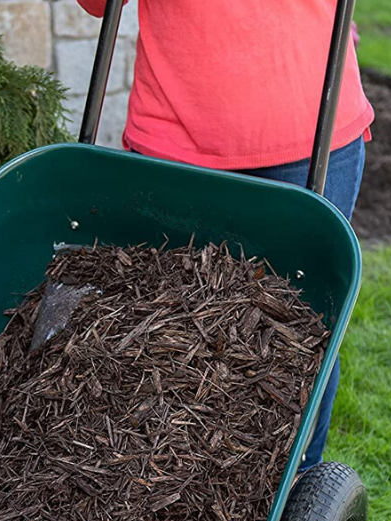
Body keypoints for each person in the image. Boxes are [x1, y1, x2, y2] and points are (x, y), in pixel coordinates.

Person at [77, 0, 373, 468]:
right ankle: (167, 493)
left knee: (301, 330)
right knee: (166, 337)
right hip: (175, 139)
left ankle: (296, 514)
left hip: (308, 124)